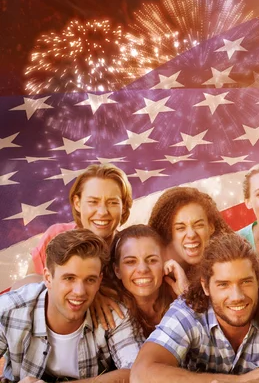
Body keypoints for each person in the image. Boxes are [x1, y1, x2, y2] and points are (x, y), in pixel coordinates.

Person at [131, 233, 259, 383]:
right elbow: (141, 373)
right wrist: (234, 381)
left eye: (245, 282)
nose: (237, 296)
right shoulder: (187, 310)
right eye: (223, 284)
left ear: (258, 280)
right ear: (206, 286)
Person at [0, 229, 141, 382]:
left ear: (99, 280)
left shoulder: (115, 316)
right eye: (69, 278)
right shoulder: (9, 309)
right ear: (48, 278)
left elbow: (136, 372)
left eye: (90, 280)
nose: (80, 292)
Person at [13, 163, 133, 288]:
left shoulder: (130, 250)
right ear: (77, 203)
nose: (102, 212)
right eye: (93, 202)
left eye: (113, 203)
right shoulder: (56, 235)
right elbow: (26, 288)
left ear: (123, 207)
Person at [105, 224, 188, 340]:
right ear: (117, 270)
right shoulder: (113, 313)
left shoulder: (180, 300)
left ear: (165, 263)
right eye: (130, 262)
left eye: (152, 260)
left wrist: (186, 294)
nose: (143, 269)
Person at [148, 187, 233, 272]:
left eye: (199, 225)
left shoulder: (232, 267)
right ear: (168, 234)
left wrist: (185, 286)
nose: (191, 234)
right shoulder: (153, 277)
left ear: (211, 227)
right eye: (180, 228)